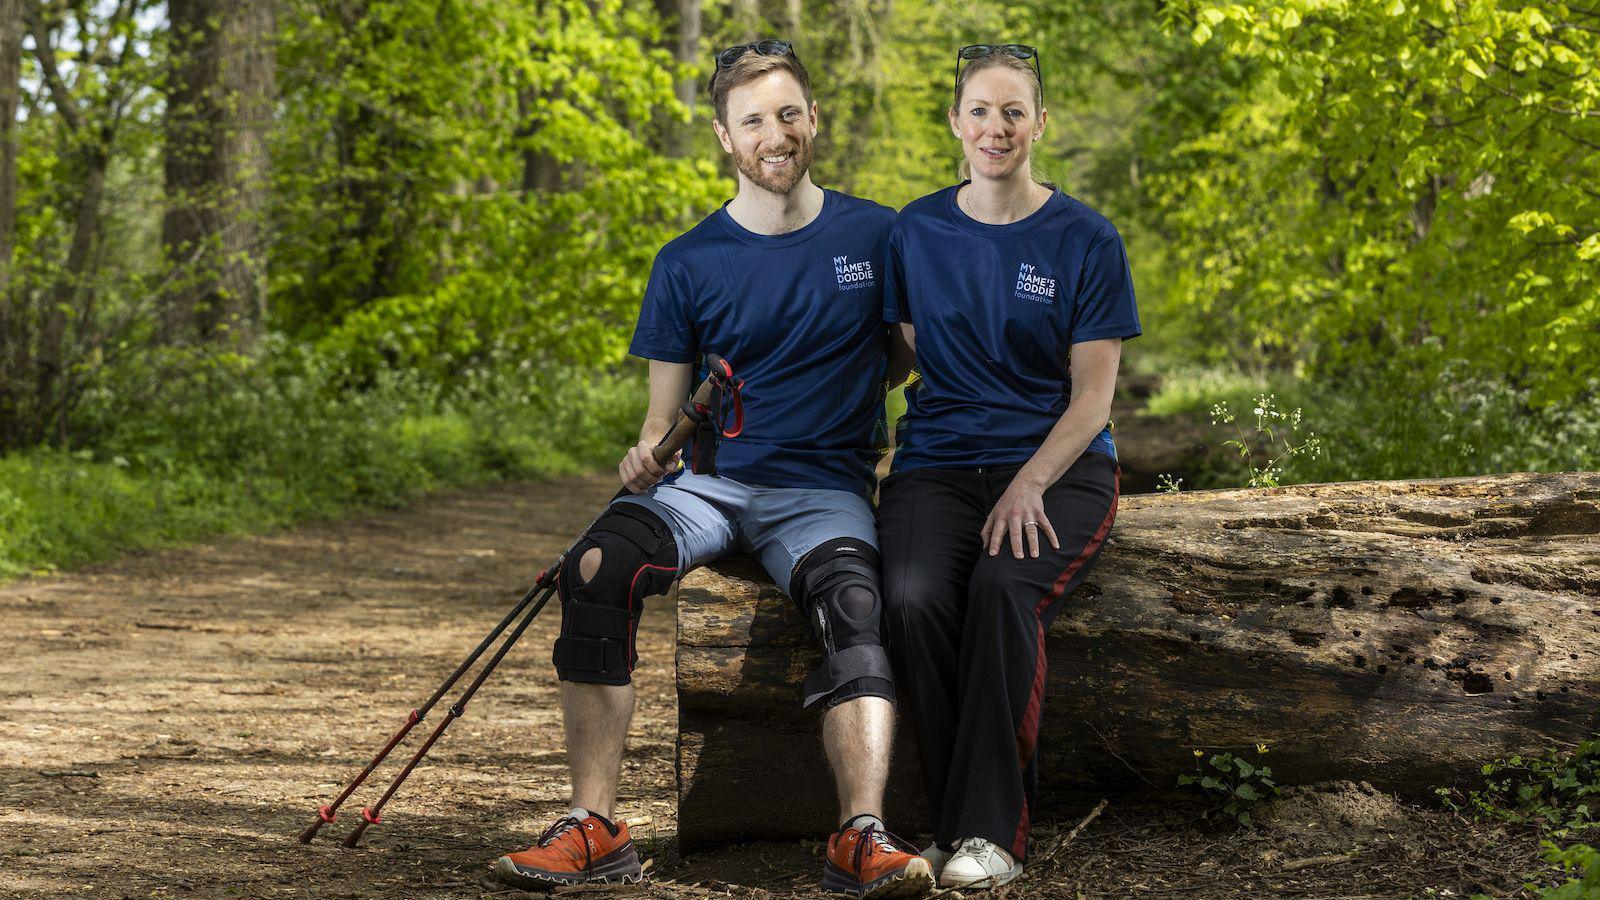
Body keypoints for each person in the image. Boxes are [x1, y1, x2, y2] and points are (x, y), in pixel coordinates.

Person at [493, 40, 933, 899]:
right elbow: (662, 419)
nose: (776, 134)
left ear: (817, 119)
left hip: (825, 491)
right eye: (754, 121)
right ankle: (595, 826)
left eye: (789, 114)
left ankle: (860, 834)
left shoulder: (880, 234)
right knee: (594, 566)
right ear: (726, 140)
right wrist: (646, 452)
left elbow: (905, 358)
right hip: (711, 487)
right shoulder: (686, 261)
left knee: (854, 602)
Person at [877, 43, 1141, 889]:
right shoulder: (914, 230)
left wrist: (1030, 481)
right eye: (981, 111)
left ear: (1038, 123)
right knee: (913, 599)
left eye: (1014, 112)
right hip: (939, 464)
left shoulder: (1086, 239)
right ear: (955, 122)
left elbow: (1093, 400)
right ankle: (950, 827)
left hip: (1060, 468)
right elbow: (894, 356)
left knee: (1000, 588)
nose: (997, 128)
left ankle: (991, 836)